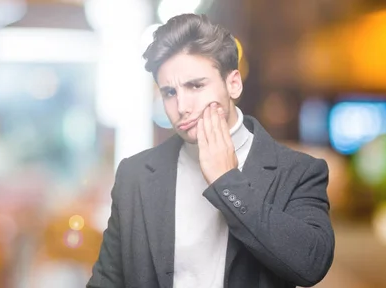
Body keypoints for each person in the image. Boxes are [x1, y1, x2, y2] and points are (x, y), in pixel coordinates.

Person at [87, 14, 334, 288]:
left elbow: (312, 264)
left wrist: (227, 181)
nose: (181, 106)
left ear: (233, 84)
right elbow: (107, 281)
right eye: (170, 92)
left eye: (196, 85)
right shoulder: (134, 174)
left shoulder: (298, 171)